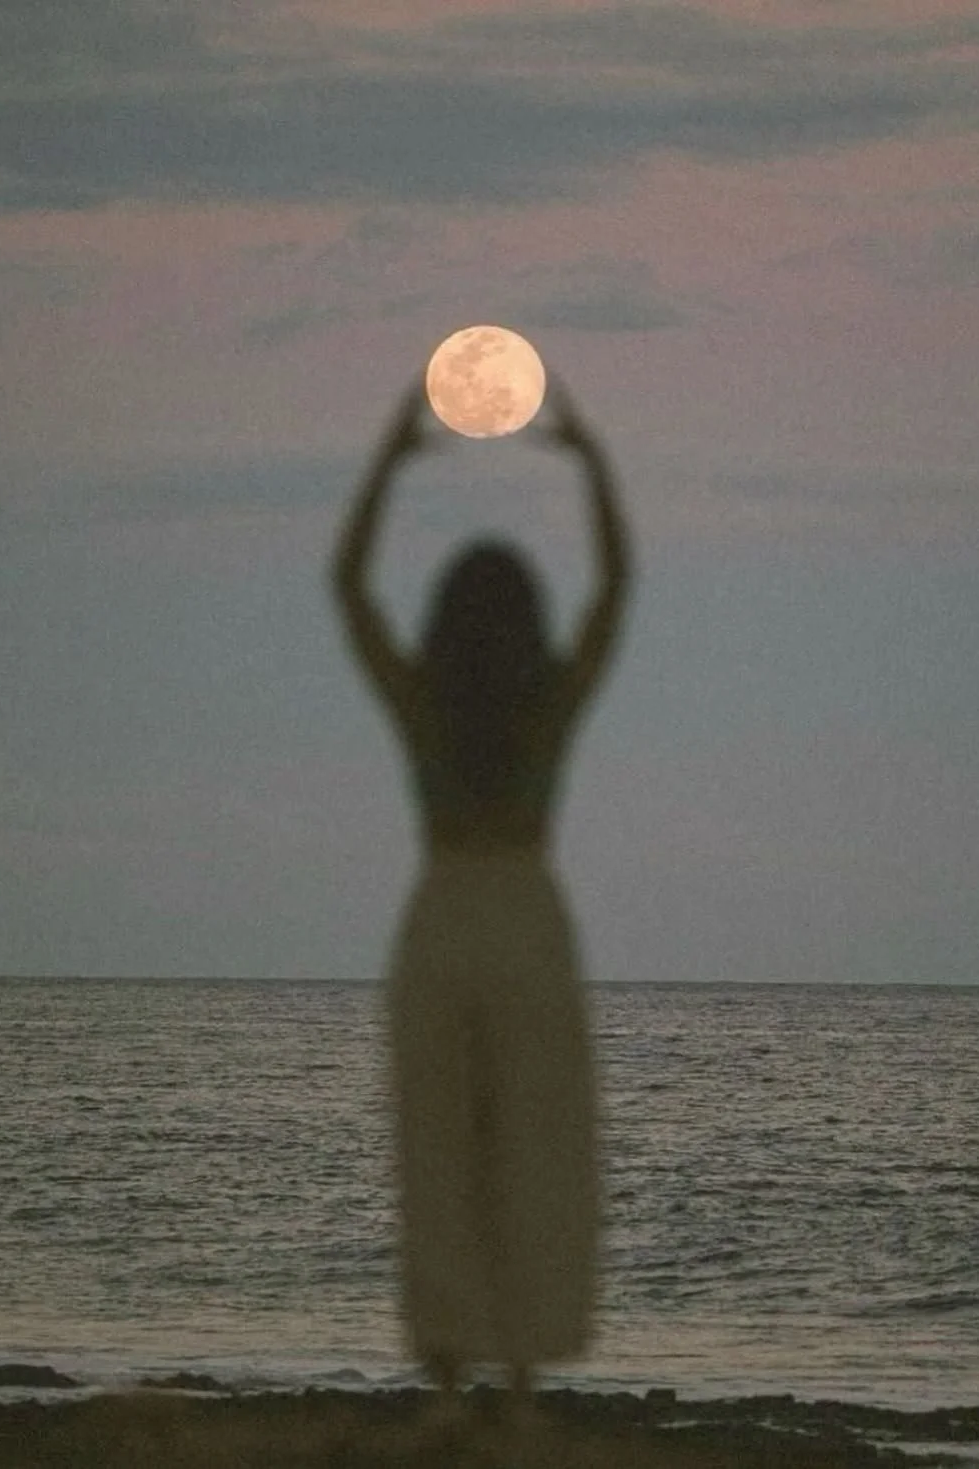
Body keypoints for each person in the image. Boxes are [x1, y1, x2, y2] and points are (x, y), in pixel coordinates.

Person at [330, 372, 631, 1435]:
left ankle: (450, 1390)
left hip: (446, 910)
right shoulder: (548, 703)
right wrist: (593, 462)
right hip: (527, 914)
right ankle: (520, 1386)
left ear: (447, 620)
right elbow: (614, 595)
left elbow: (349, 589)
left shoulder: (424, 699)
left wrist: (386, 455)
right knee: (535, 1145)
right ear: (526, 619)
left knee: (442, 1145)